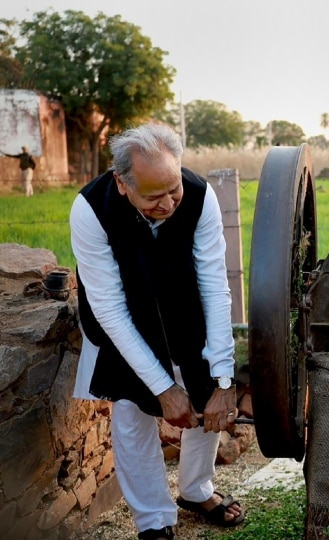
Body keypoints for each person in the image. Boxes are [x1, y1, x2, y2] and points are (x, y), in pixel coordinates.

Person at [70, 123, 245, 540]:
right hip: (123, 318)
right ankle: (153, 519)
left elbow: (214, 285)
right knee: (133, 408)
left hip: (185, 308)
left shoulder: (200, 197)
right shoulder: (90, 209)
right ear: (122, 183)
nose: (169, 203)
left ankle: (196, 489)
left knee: (205, 394)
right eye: (154, 197)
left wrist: (224, 379)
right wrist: (163, 389)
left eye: (174, 190)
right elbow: (109, 308)